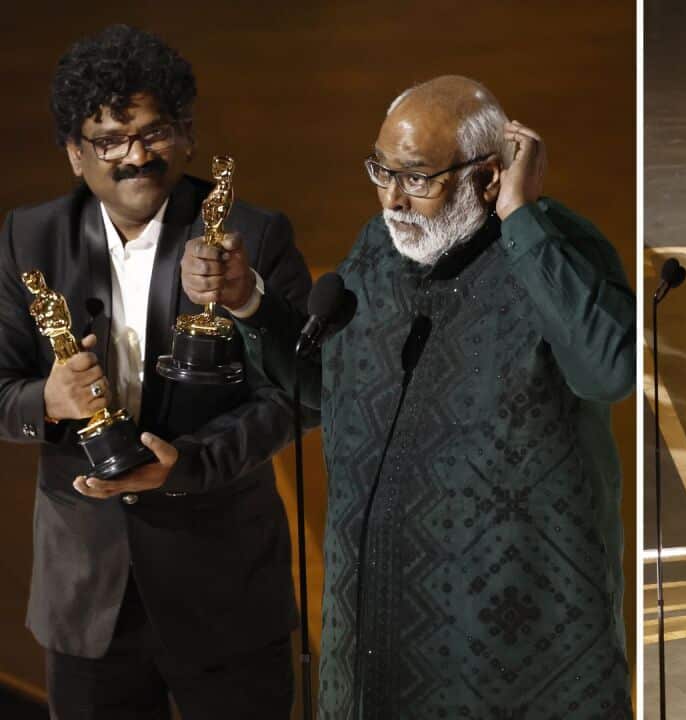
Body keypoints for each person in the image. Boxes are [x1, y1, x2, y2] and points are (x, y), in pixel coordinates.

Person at [181, 76, 635, 717]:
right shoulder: (379, 250)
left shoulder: (558, 248)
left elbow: (609, 371)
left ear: (488, 176)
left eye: (418, 178)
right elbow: (332, 388)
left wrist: (521, 217)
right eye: (382, 171)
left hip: (508, 655)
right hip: (377, 645)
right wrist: (249, 303)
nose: (393, 199)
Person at [0, 25, 310, 718]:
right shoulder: (29, 237)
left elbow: (300, 395)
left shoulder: (253, 235)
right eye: (110, 141)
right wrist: (46, 398)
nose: (136, 156)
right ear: (76, 153)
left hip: (226, 591)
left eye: (153, 133)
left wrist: (190, 465)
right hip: (87, 599)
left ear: (186, 136)